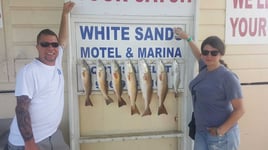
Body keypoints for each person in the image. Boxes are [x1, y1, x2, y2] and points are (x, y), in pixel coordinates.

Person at [7, 2, 75, 150]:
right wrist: (30, 143)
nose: (50, 48)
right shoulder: (29, 72)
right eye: (45, 44)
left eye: (54, 45)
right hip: (27, 142)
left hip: (51, 134)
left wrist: (64, 14)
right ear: (37, 46)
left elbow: (62, 40)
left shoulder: (56, 62)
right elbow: (21, 109)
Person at [174, 27, 245, 150]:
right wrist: (188, 38)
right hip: (201, 132)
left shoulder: (228, 77)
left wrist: (220, 131)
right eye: (206, 52)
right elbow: (197, 54)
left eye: (214, 53)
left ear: (221, 54)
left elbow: (240, 110)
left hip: (220, 136)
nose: (209, 56)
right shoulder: (205, 67)